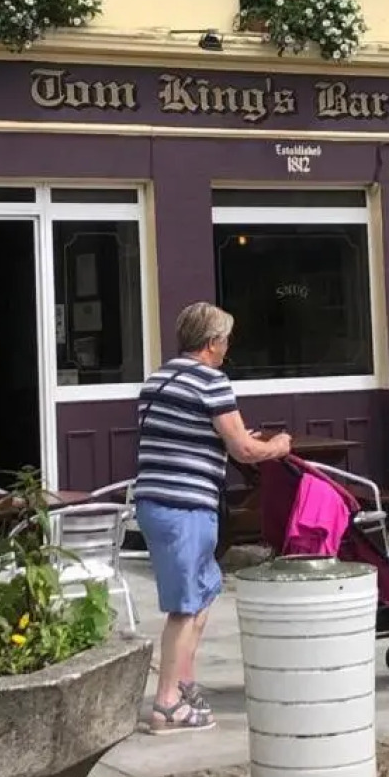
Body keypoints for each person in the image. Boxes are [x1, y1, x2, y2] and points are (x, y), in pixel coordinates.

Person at [132, 302, 291, 734]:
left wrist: (235, 438)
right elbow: (243, 449)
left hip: (156, 501)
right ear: (211, 343)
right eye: (225, 340)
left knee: (201, 596)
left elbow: (187, 433)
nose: (227, 347)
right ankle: (166, 705)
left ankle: (184, 686)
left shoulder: (158, 379)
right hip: (184, 505)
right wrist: (277, 445)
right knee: (185, 608)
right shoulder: (212, 381)